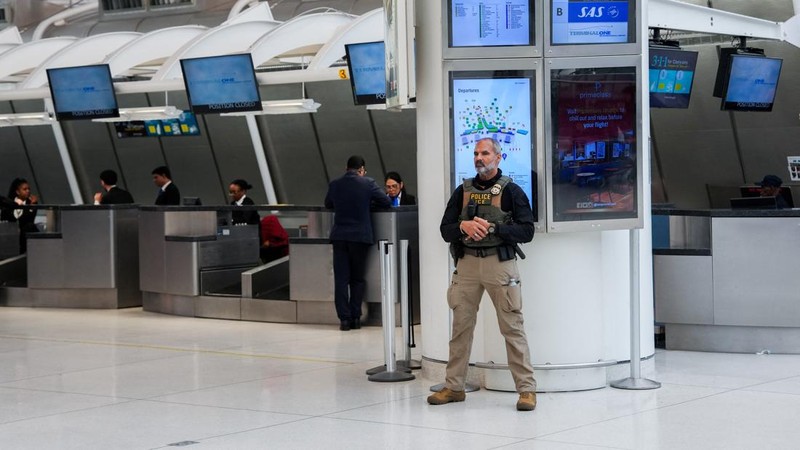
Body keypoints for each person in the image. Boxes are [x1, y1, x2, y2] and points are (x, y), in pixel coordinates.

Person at [428, 137, 537, 411]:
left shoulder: (512, 191)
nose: (479, 158)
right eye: (476, 153)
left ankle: (526, 390)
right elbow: (445, 230)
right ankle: (454, 387)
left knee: (512, 327)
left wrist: (493, 229)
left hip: (499, 266)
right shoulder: (462, 191)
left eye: (485, 153)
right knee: (460, 328)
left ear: (498, 158)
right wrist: (463, 226)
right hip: (466, 266)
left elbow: (527, 231)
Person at [324, 155, 391, 331]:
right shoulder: (368, 183)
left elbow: (328, 203)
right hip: (360, 237)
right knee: (357, 279)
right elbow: (385, 201)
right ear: (361, 169)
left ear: (347, 168)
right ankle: (355, 318)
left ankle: (344, 320)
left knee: (341, 279)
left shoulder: (335, 184)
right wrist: (367, 202)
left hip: (339, 236)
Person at [1, 178, 39, 254]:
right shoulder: (8, 203)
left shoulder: (31, 203)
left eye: (28, 189)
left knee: (30, 226)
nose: (28, 191)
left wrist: (31, 206)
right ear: (17, 192)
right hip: (10, 234)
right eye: (25, 189)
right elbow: (5, 217)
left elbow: (29, 219)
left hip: (24, 236)